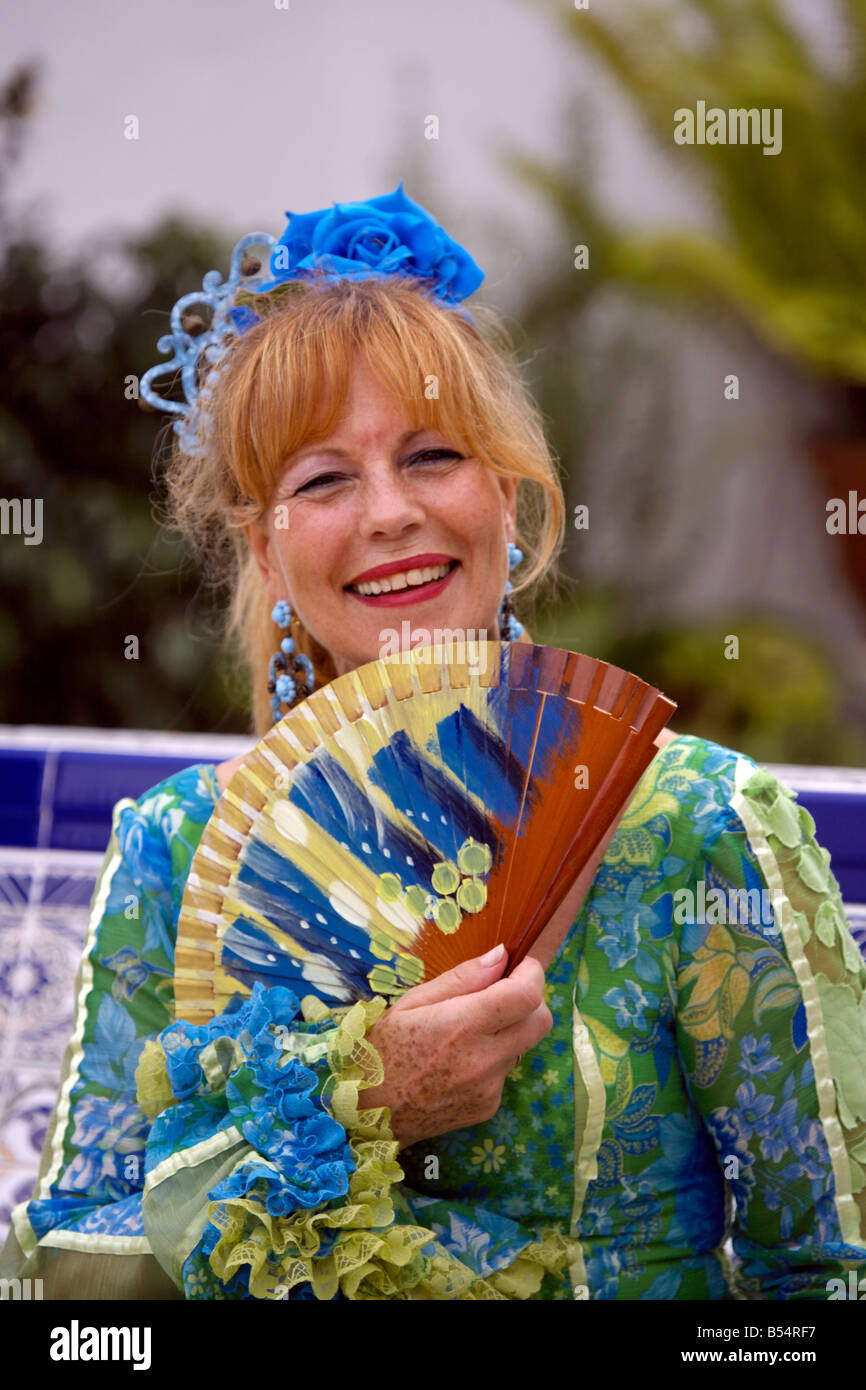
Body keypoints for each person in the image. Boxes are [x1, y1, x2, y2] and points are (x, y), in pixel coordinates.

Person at [2, 186, 865, 1301]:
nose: (388, 512)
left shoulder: (695, 825)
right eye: (322, 479)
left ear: (506, 497)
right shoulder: (176, 850)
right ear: (263, 543)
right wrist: (359, 1097)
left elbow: (827, 1277)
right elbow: (65, 1305)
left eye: (431, 456)